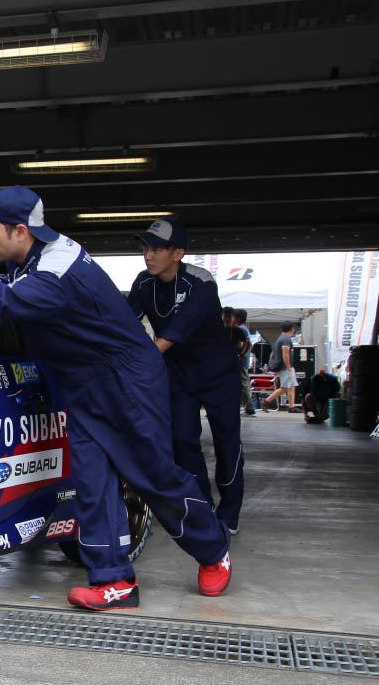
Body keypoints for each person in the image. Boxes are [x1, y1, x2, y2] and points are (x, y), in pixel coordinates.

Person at [0, 186, 231, 610]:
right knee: (93, 482)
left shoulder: (55, 275)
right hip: (82, 380)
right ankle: (114, 581)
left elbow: (1, 304)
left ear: (20, 230)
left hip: (125, 379)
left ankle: (213, 551)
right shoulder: (42, 250)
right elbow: (3, 265)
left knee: (151, 475)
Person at [126, 221, 244, 535]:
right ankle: (203, 509)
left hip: (218, 373)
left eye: (157, 249)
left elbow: (179, 328)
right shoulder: (143, 283)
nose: (148, 255)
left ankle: (229, 514)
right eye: (145, 248)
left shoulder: (200, 282)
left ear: (178, 253)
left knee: (227, 443)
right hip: (178, 374)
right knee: (182, 442)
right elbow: (122, 322)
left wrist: (143, 358)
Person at [263, 321, 299, 412]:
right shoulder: (286, 339)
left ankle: (292, 406)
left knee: (291, 386)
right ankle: (266, 402)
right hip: (286, 367)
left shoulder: (281, 338)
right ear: (291, 329)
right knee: (285, 387)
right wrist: (288, 366)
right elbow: (285, 353)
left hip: (284, 366)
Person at [233, 308, 256, 416]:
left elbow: (246, 344)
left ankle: (250, 407)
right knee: (244, 383)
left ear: (237, 318)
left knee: (243, 384)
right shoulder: (244, 328)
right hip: (243, 361)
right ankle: (248, 407)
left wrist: (240, 355)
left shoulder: (240, 329)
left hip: (240, 361)